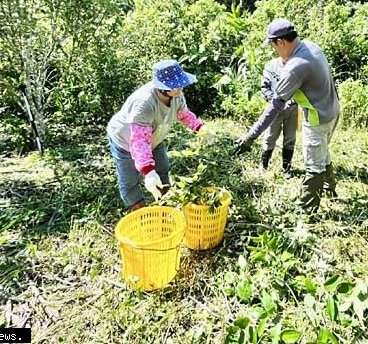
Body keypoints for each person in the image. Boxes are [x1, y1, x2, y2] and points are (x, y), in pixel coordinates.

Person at [235, 19, 340, 214]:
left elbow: (275, 107)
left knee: (314, 165)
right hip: (332, 110)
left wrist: (251, 136)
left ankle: (306, 212)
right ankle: (330, 190)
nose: (275, 51)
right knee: (323, 153)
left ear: (280, 42)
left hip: (317, 118)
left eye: (274, 46)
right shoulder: (311, 46)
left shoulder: (295, 66)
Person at [107, 60, 214, 211]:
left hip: (154, 138)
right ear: (162, 88)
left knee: (162, 168)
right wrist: (148, 171)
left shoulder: (177, 95)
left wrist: (200, 127)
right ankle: (141, 213)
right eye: (176, 85)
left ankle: (166, 204)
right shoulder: (144, 103)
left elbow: (183, 114)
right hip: (124, 140)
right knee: (130, 180)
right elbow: (139, 140)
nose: (180, 88)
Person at [260, 57, 298, 179]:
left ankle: (286, 169)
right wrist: (275, 102)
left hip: (293, 107)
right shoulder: (271, 65)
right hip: (275, 108)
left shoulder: (297, 65)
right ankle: (263, 165)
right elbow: (264, 88)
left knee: (290, 138)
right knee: (270, 137)